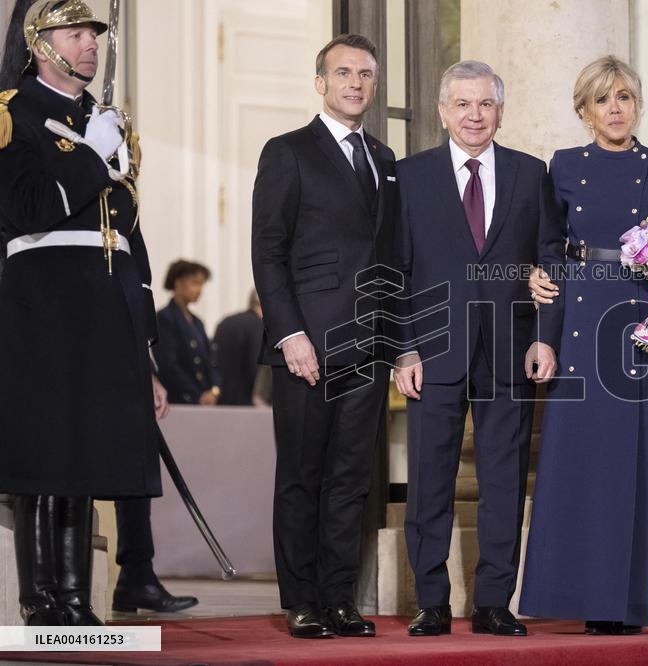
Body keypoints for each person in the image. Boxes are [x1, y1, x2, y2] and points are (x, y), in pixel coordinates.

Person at [518, 55, 648, 634]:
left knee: (632, 464)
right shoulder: (564, 165)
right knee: (578, 464)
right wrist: (543, 340)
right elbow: (550, 256)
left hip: (639, 321)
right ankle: (579, 596)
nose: (614, 109)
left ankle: (624, 603)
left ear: (637, 104)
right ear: (584, 110)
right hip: (581, 317)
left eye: (624, 97)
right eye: (602, 99)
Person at [0, 0, 167, 626]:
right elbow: (29, 209)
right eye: (76, 33)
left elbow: (130, 240)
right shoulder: (12, 114)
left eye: (94, 33)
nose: (91, 44)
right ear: (42, 44)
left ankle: (73, 602)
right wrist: (91, 156)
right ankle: (40, 604)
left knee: (85, 458)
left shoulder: (103, 121)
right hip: (42, 305)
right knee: (44, 458)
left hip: (106, 311)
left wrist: (145, 346)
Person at [392, 60, 564, 638]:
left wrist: (544, 336)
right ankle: (432, 603)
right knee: (430, 483)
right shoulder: (409, 176)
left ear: (500, 111)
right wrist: (404, 350)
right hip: (433, 352)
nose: (473, 115)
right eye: (462, 104)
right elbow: (395, 269)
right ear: (443, 111)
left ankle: (494, 601)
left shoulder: (529, 173)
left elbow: (549, 261)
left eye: (484, 104)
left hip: (510, 351)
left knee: (504, 482)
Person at [251, 33, 398, 639]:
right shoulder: (287, 152)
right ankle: (302, 599)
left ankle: (339, 597)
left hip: (370, 345)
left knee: (350, 478)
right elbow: (268, 252)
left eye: (365, 74)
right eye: (343, 73)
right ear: (321, 83)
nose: (356, 84)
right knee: (302, 474)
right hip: (306, 346)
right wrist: (290, 335)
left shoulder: (387, 161)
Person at [154, 259, 220, 405]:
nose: (199, 290)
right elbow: (168, 365)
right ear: (178, 283)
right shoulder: (165, 318)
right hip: (179, 401)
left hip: (202, 400)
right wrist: (197, 395)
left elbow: (210, 361)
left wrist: (213, 391)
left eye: (202, 284)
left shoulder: (197, 322)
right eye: (195, 283)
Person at [214, 289, 264, 406]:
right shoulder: (257, 325)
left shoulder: (226, 321)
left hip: (221, 396)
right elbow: (256, 366)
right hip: (245, 400)